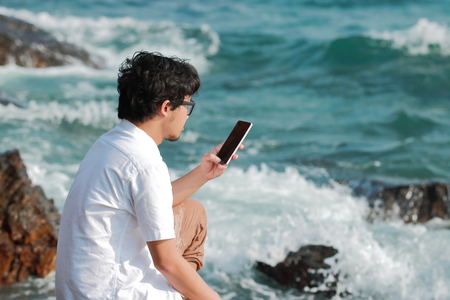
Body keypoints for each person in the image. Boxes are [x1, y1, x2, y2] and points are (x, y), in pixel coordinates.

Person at [55, 51, 242, 299]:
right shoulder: (145, 163)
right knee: (190, 283)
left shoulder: (110, 143)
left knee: (193, 212)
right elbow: (166, 262)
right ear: (166, 107)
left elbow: (153, 200)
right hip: (112, 294)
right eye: (187, 106)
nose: (187, 114)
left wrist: (203, 174)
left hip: (76, 291)